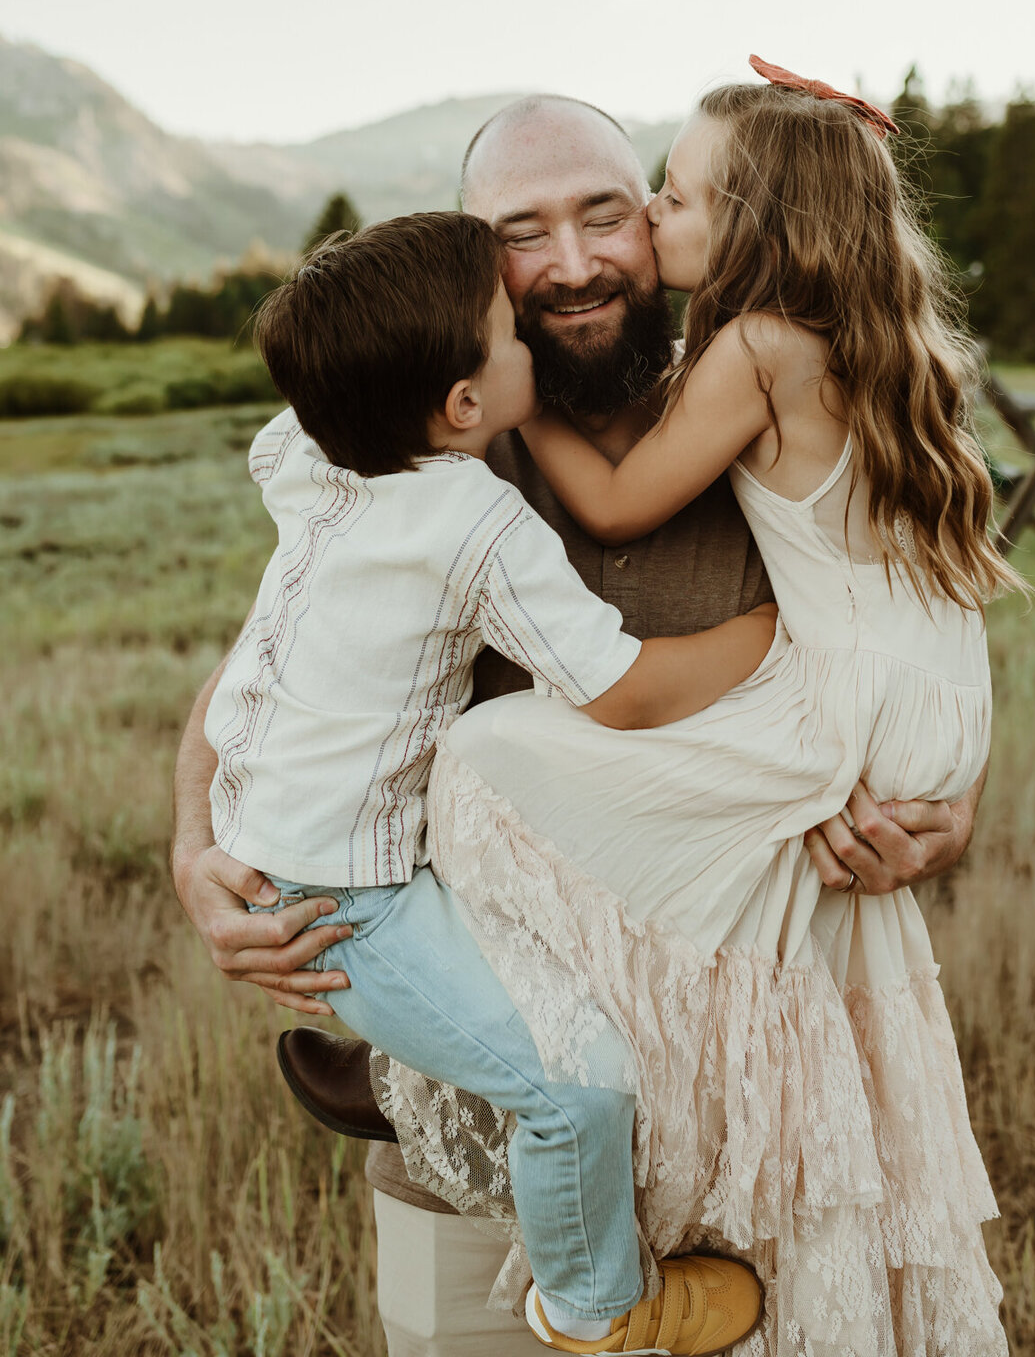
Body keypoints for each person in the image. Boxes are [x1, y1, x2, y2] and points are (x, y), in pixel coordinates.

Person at [171, 91, 987, 1357]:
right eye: (521, 232)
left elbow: (912, 634)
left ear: (669, 222)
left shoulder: (776, 392)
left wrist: (946, 818)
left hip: (746, 1136)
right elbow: (261, 671)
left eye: (611, 213)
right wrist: (193, 848)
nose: (572, 263)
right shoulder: (402, 427)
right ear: (472, 255)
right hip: (486, 1136)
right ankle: (419, 1099)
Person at [203, 209, 771, 1355]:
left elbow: (294, 426)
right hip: (341, 904)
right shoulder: (471, 511)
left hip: (288, 852)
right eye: (511, 329)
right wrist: (773, 639)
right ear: (464, 406)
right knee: (576, 1084)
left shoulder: (308, 454)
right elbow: (611, 685)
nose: (532, 331)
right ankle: (600, 1306)